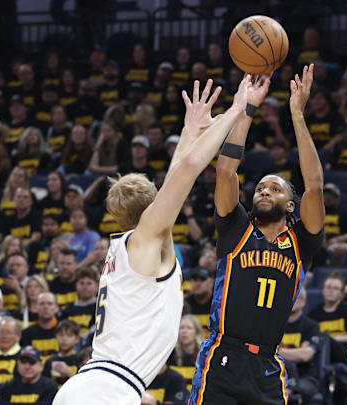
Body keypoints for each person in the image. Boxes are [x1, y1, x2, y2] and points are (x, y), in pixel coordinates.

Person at [54, 76, 258, 405]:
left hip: (95, 384)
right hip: (107, 389)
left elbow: (178, 173)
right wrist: (237, 108)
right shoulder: (147, 236)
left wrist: (192, 129)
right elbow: (188, 168)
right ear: (152, 204)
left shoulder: (130, 245)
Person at [189, 65, 325, 404]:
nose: (264, 192)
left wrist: (296, 113)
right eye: (261, 187)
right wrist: (247, 109)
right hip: (223, 355)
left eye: (275, 189)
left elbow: (315, 186)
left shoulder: (301, 242)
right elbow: (225, 170)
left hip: (267, 364)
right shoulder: (236, 228)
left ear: (291, 206)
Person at [280, 288, 323, 403]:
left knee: (296, 391)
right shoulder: (276, 326)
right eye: (288, 297)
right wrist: (297, 352)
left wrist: (278, 351)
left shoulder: (311, 326)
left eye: (295, 298)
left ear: (303, 302)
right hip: (280, 374)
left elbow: (305, 356)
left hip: (305, 376)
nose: (291, 301)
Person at [320, 183, 347, 266]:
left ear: (337, 198)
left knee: (339, 249)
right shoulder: (317, 213)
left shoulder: (344, 213)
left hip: (340, 242)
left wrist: (336, 240)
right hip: (321, 243)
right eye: (325, 194)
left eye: (330, 194)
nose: (327, 197)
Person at [168, 315, 205, 390]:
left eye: (189, 328)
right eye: (181, 328)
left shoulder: (204, 355)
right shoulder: (170, 354)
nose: (184, 331)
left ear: (196, 332)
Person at [20, 292, 59, 361]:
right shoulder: (26, 334)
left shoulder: (64, 331)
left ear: (56, 308)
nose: (45, 307)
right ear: (36, 308)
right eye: (42, 304)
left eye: (49, 304)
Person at [58, 267, 97, 335]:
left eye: (89, 283)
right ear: (76, 285)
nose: (85, 287)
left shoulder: (100, 308)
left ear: (97, 285)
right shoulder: (67, 311)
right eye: (81, 283)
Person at [42, 320, 81, 387]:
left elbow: (85, 386)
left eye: (69, 335)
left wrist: (69, 373)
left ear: (77, 339)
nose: (64, 339)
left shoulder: (80, 359)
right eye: (61, 335)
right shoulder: (50, 361)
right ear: (56, 337)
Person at [184, 267, 215, 331]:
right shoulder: (184, 305)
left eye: (202, 279)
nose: (198, 284)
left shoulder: (220, 305)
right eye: (195, 280)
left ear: (211, 282)